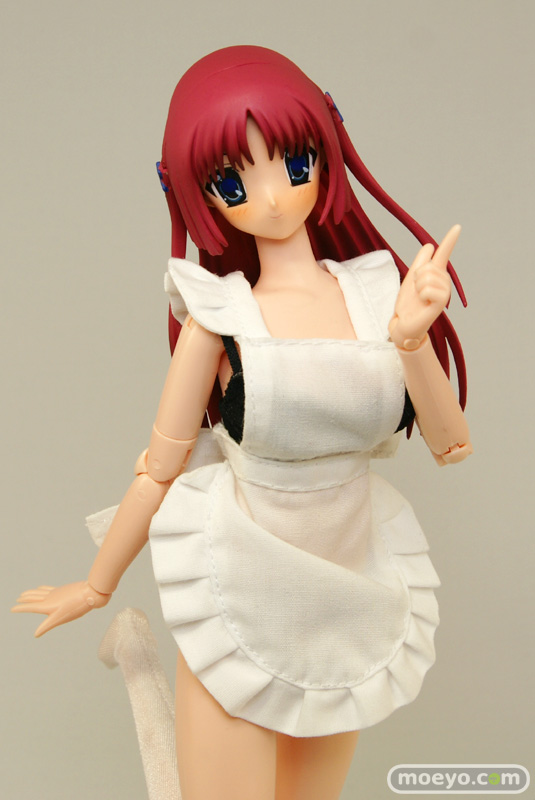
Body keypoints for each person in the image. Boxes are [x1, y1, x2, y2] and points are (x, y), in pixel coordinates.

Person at [13, 46, 472, 800]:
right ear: (196, 194)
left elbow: (451, 444)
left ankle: (142, 663)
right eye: (232, 182)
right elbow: (159, 468)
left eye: (293, 164)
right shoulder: (220, 315)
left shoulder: (378, 296)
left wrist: (412, 340)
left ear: (325, 151)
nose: (271, 199)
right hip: (246, 580)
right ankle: (141, 660)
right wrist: (96, 586)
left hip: (345, 591)